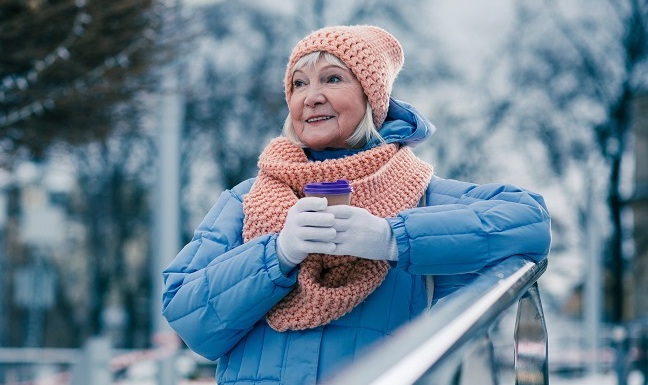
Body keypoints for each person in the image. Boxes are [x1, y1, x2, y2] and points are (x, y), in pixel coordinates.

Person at [162, 25, 551, 384]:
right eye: (299, 84)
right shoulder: (245, 200)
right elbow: (189, 319)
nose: (311, 96)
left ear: (371, 97)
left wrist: (391, 238)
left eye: (332, 78)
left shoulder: (422, 197)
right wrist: (276, 253)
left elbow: (530, 220)